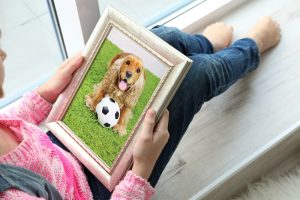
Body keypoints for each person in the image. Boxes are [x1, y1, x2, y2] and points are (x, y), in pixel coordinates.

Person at [0, 15, 280, 199]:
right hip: (95, 189)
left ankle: (204, 43)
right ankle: (250, 49)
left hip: (59, 148)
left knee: (162, 39)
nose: (4, 52)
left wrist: (44, 94)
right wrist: (141, 169)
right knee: (196, 77)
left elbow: (9, 123)